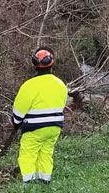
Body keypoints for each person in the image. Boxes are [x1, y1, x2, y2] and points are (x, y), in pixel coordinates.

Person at [11, 47, 68, 184]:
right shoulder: (60, 84)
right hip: (54, 128)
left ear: (35, 65)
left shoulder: (29, 86)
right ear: (52, 64)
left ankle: (28, 186)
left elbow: (18, 113)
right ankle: (44, 183)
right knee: (46, 154)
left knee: (28, 156)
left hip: (34, 128)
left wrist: (16, 122)